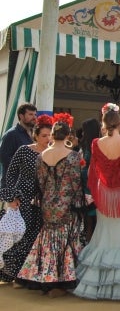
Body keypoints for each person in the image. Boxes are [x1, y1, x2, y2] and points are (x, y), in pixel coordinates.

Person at [74, 103, 120, 300]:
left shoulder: (96, 143)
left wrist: (98, 190)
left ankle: (97, 280)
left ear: (104, 123)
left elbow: (94, 172)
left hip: (104, 196)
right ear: (119, 123)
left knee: (103, 236)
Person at [17, 114, 84, 298]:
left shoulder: (42, 155)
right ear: (68, 135)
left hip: (47, 203)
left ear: (53, 135)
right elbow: (75, 183)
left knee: (48, 240)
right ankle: (61, 281)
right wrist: (79, 204)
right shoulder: (72, 156)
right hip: (65, 204)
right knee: (64, 241)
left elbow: (40, 182)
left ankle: (46, 278)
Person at [0, 114, 50, 286]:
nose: (47, 138)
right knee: (21, 235)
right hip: (22, 199)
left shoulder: (52, 154)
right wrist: (10, 197)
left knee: (36, 238)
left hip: (43, 201)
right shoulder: (24, 150)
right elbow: (10, 173)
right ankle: (10, 272)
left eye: (49, 135)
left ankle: (26, 276)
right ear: (36, 136)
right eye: (44, 135)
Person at [0, 103, 37, 187]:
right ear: (21, 116)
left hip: (28, 186)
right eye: (30, 114)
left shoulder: (35, 135)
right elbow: (4, 157)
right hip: (12, 186)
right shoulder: (12, 134)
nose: (34, 117)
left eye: (35, 114)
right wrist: (23, 168)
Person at [78, 118, 101, 244]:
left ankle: (89, 240)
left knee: (90, 214)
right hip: (89, 181)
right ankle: (90, 240)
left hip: (88, 182)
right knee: (91, 213)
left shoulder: (91, 145)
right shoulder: (91, 144)